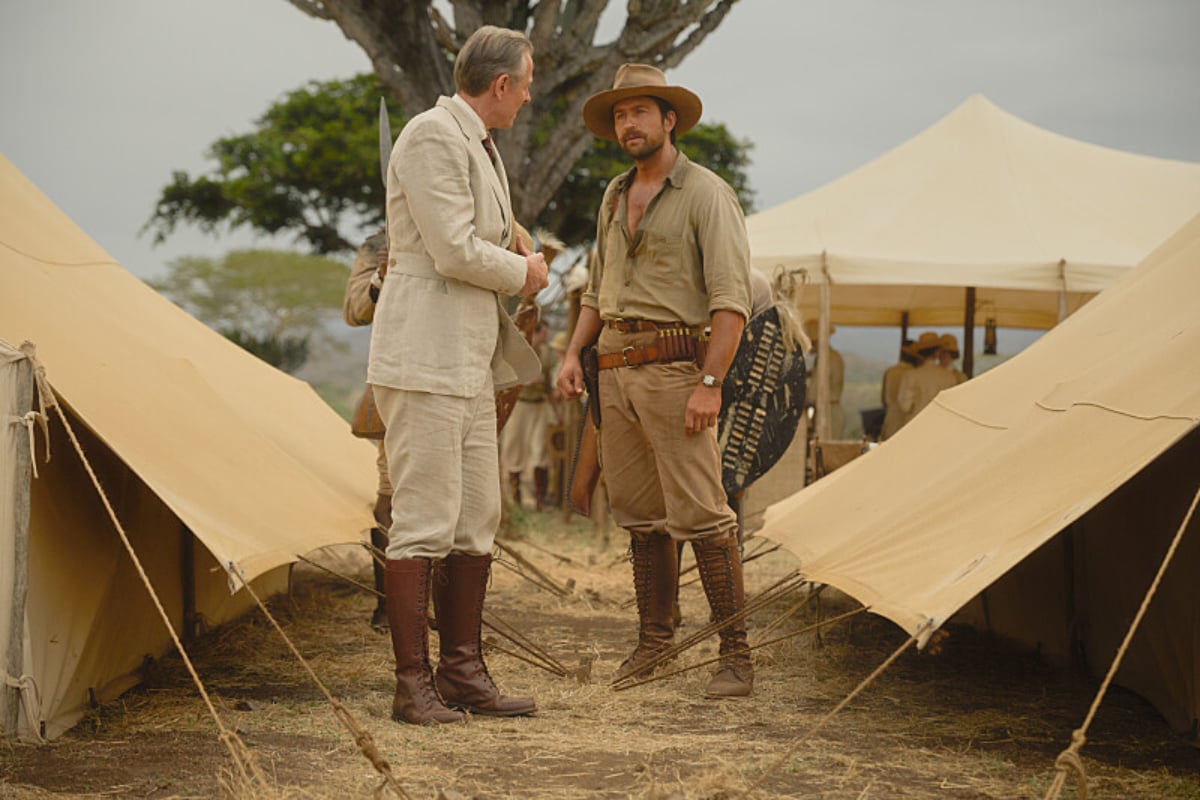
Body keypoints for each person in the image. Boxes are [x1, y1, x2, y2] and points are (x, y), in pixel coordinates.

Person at [369, 25, 548, 726]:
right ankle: (412, 686)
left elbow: (472, 232)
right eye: (526, 83)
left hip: (469, 358)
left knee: (477, 516)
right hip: (425, 354)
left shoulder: (475, 144)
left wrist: (514, 239)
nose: (530, 96)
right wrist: (523, 271)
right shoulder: (431, 136)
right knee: (422, 519)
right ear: (500, 86)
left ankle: (462, 672)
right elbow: (449, 248)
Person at [557, 63, 755, 698]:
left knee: (704, 514)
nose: (628, 124)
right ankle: (654, 645)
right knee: (641, 516)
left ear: (669, 120)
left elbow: (731, 302)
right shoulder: (614, 195)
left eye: (640, 112)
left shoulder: (707, 194)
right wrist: (570, 354)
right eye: (619, 115)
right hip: (612, 371)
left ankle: (736, 656)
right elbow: (596, 289)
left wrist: (710, 382)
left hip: (677, 372)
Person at [342, 227, 391, 629]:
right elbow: (355, 309)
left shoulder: (476, 211)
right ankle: (390, 606)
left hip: (463, 375)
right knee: (391, 492)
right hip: (396, 374)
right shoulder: (378, 243)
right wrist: (383, 275)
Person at [501, 321, 553, 509]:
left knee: (540, 449)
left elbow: (547, 379)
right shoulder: (519, 351)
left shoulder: (545, 353)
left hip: (539, 404)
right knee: (514, 447)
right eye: (544, 334)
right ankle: (516, 497)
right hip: (520, 405)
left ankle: (540, 499)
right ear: (536, 333)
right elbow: (506, 377)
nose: (546, 338)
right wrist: (525, 382)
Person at [897, 331, 957, 420]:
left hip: (916, 426)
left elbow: (905, 406)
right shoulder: (950, 377)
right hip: (941, 425)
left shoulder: (911, 375)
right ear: (937, 352)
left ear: (919, 353)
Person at [803, 318, 846, 439]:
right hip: (832, 411)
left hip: (828, 414)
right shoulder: (834, 356)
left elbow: (813, 392)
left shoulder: (824, 358)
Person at [879, 339, 918, 441]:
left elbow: (883, 399)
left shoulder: (890, 372)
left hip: (891, 417)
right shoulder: (914, 373)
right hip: (907, 420)